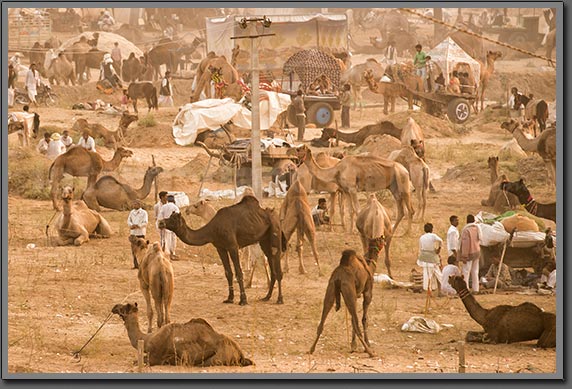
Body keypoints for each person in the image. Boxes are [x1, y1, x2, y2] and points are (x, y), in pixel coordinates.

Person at [416, 222, 443, 293]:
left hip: (424, 258)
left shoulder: (421, 237)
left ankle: (429, 290)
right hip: (432, 257)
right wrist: (439, 248)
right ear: (431, 229)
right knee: (439, 275)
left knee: (427, 275)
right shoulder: (433, 236)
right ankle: (445, 288)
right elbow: (440, 240)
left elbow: (420, 248)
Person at [458, 214, 482, 293]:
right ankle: (476, 289)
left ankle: (466, 289)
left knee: (466, 272)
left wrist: (464, 256)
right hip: (477, 252)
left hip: (469, 254)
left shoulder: (466, 230)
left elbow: (465, 244)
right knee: (475, 271)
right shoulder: (477, 228)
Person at [158, 194, 180, 259]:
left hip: (166, 225)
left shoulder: (164, 207)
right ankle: (172, 253)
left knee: (166, 240)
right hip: (173, 227)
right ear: (173, 200)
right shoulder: (175, 207)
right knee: (173, 240)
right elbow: (178, 217)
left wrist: (161, 224)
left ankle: (166, 253)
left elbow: (160, 217)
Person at [127, 200, 148, 269]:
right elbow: (128, 220)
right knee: (134, 250)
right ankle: (136, 265)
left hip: (140, 233)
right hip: (133, 233)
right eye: (134, 204)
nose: (135, 205)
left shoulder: (144, 213)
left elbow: (145, 222)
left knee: (142, 250)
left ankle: (142, 264)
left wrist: (138, 226)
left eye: (136, 204)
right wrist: (131, 225)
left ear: (140, 205)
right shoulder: (132, 212)